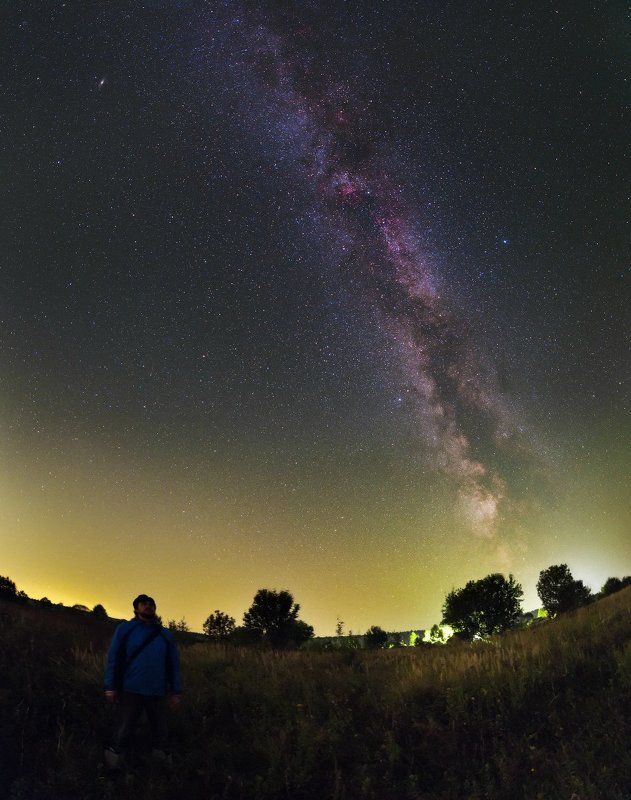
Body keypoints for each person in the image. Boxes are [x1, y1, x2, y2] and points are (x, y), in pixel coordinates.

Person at [103, 594, 182, 770]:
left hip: (157, 691)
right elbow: (113, 658)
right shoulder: (125, 629)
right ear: (136, 608)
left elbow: (174, 664)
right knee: (124, 727)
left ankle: (161, 766)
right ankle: (113, 763)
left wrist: (176, 692)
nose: (148, 606)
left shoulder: (165, 634)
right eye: (143, 603)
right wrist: (110, 687)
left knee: (160, 729)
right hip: (130, 689)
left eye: (151, 603)